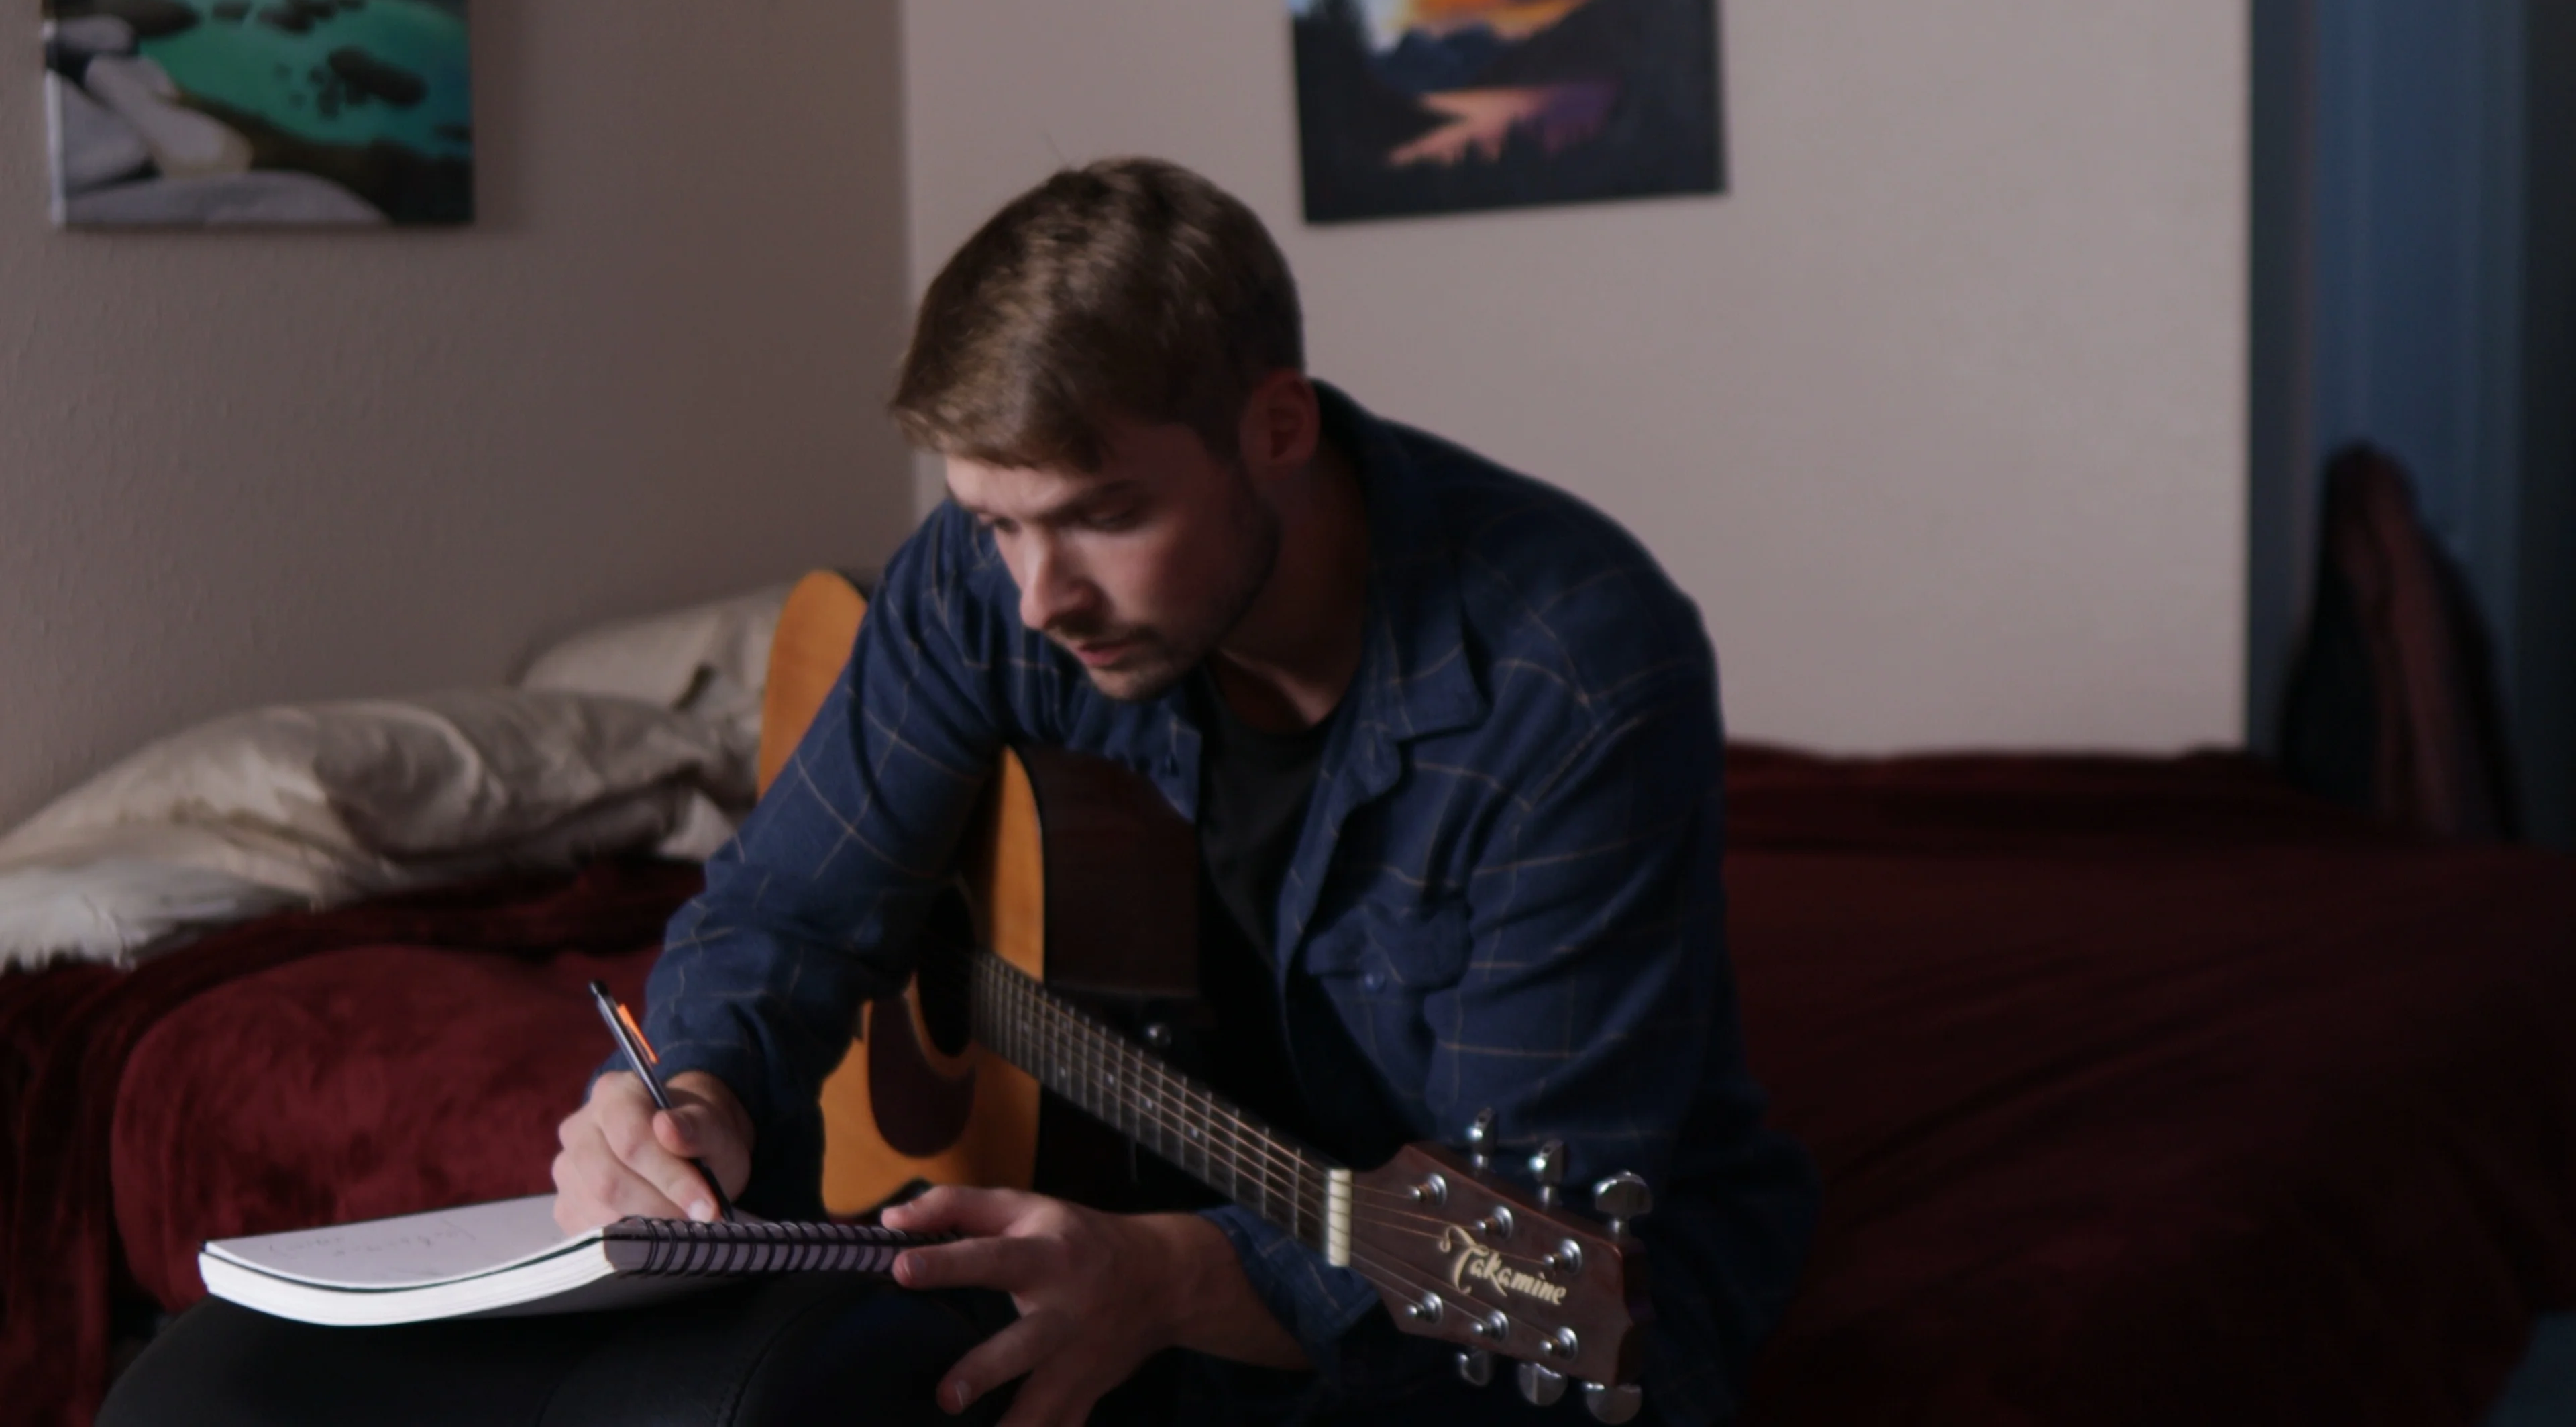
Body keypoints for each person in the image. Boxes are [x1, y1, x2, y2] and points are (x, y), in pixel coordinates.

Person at [549, 156, 1816, 1426]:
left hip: (1520, 1311)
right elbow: (786, 912)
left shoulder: (1570, 673)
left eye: (1104, 515)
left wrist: (1176, 1275)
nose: (1041, 598)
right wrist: (701, 1090)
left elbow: (1531, 1245)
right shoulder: (987, 583)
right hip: (1133, 1199)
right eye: (996, 522)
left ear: (1276, 428)